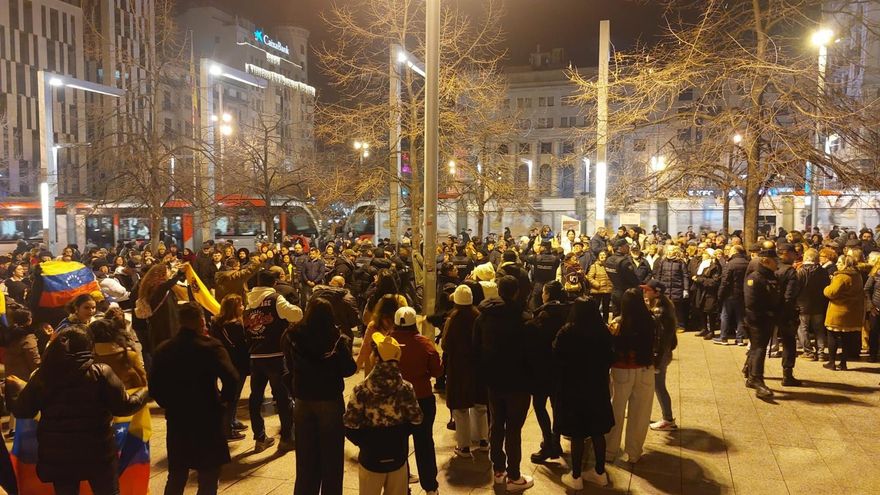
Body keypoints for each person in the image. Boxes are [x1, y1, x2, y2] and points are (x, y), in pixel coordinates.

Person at [10, 327, 147, 495]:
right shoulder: (100, 373)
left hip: (58, 457)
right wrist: (144, 392)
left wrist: (13, 393)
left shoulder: (43, 375)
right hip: (98, 453)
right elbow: (124, 407)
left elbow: (24, 411)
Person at [149, 303, 239, 495]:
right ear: (200, 320)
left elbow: (154, 387)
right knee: (208, 475)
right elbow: (232, 378)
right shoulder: (211, 347)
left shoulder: (163, 350)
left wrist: (169, 404)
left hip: (178, 417)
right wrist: (224, 400)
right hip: (208, 416)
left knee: (177, 474)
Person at [282, 298, 357, 495]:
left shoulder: (292, 336)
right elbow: (349, 369)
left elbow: (289, 365)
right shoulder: (336, 339)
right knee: (332, 458)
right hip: (330, 399)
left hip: (303, 399)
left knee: (306, 457)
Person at [473, 275, 534, 492]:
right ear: (516, 292)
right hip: (518, 383)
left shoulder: (484, 317)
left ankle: (498, 471)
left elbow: (476, 349)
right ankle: (514, 475)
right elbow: (531, 355)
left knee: (496, 425)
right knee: (514, 430)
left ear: (499, 291)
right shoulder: (525, 319)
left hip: (493, 381)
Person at [344, 333, 423, 495]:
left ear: (377, 358)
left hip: (370, 458)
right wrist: (400, 435)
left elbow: (350, 425)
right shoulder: (406, 388)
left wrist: (366, 442)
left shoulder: (362, 390)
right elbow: (417, 420)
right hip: (398, 456)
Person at [555, 297, 614, 489]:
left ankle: (576, 476)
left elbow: (557, 355)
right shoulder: (602, 331)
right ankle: (599, 472)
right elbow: (610, 357)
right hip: (597, 387)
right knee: (597, 431)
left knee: (578, 433)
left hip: (573, 388)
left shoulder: (567, 332)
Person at [244, 270, 303, 453]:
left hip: (255, 355)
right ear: (274, 283)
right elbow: (296, 315)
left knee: (256, 397)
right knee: (282, 398)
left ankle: (260, 437)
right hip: (275, 355)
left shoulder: (248, 302)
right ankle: (286, 437)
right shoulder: (275, 298)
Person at [390, 307, 442, 495]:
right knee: (424, 444)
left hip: (395, 401)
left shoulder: (387, 344)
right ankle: (430, 487)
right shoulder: (424, 344)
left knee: (398, 444)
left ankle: (401, 485)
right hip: (422, 399)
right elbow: (437, 371)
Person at [606, 288, 657, 463]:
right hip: (646, 369)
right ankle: (634, 452)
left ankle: (609, 451)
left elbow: (610, 344)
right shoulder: (650, 320)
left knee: (616, 411)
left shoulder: (619, 322)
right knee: (641, 413)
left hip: (622, 368)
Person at [440, 285, 489, 458]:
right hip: (478, 367)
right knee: (480, 405)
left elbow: (444, 345)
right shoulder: (480, 317)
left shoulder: (452, 319)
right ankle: (483, 441)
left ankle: (464, 447)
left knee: (460, 409)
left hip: (459, 368)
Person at [526, 280, 569, 464]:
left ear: (548, 295)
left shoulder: (543, 316)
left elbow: (534, 342)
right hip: (562, 368)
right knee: (557, 406)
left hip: (543, 368)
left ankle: (548, 442)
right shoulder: (569, 313)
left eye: (544, 292)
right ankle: (555, 441)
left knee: (539, 405)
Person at [210, 294, 251, 441]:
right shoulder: (236, 326)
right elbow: (243, 346)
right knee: (233, 397)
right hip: (237, 364)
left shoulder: (216, 323)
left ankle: (232, 421)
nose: (243, 307)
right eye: (240, 305)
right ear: (234, 308)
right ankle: (227, 428)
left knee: (232, 394)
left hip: (224, 362)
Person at [743, 248, 781, 399]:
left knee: (757, 348)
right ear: (766, 261)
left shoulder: (770, 276)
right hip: (758, 320)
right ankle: (757, 379)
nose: (776, 263)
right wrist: (766, 314)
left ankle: (752, 376)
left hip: (767, 319)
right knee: (759, 349)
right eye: (774, 260)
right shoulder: (755, 277)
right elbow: (751, 302)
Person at [643, 281, 679, 431]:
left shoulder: (659, 310)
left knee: (659, 386)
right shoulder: (664, 305)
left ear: (656, 292)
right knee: (656, 386)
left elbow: (660, 338)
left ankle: (668, 419)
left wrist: (657, 359)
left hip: (660, 354)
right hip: (663, 353)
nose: (645, 292)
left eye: (648, 290)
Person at [824, 255, 865, 371]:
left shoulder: (841, 276)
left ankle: (831, 362)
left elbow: (831, 292)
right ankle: (843, 362)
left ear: (845, 264)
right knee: (847, 339)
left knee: (832, 336)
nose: (837, 264)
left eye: (839, 263)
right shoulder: (857, 276)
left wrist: (826, 287)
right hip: (852, 312)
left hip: (838, 311)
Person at [774, 243, 803, 386]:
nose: (795, 256)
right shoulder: (790, 271)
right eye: (794, 253)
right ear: (787, 253)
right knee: (788, 343)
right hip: (785, 312)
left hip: (769, 309)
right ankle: (787, 375)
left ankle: (750, 369)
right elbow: (789, 296)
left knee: (760, 342)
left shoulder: (772, 267)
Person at [716, 245, 748, 345]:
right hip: (742, 294)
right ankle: (740, 338)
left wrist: (720, 294)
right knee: (740, 316)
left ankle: (723, 337)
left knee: (725, 315)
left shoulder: (730, 264)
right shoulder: (747, 263)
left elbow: (724, 281)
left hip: (730, 294)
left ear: (734, 251)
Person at [605, 239, 641, 316]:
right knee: (627, 317)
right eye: (627, 246)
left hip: (614, 291)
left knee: (616, 316)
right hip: (626, 293)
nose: (629, 248)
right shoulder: (624, 262)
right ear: (620, 248)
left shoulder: (608, 260)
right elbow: (633, 279)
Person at [587, 250, 613, 321]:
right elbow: (590, 277)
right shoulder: (594, 266)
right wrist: (597, 284)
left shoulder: (609, 266)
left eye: (604, 254)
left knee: (606, 308)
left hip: (607, 290)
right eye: (600, 254)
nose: (602, 256)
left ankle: (605, 322)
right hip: (597, 290)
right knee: (596, 307)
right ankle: (595, 322)